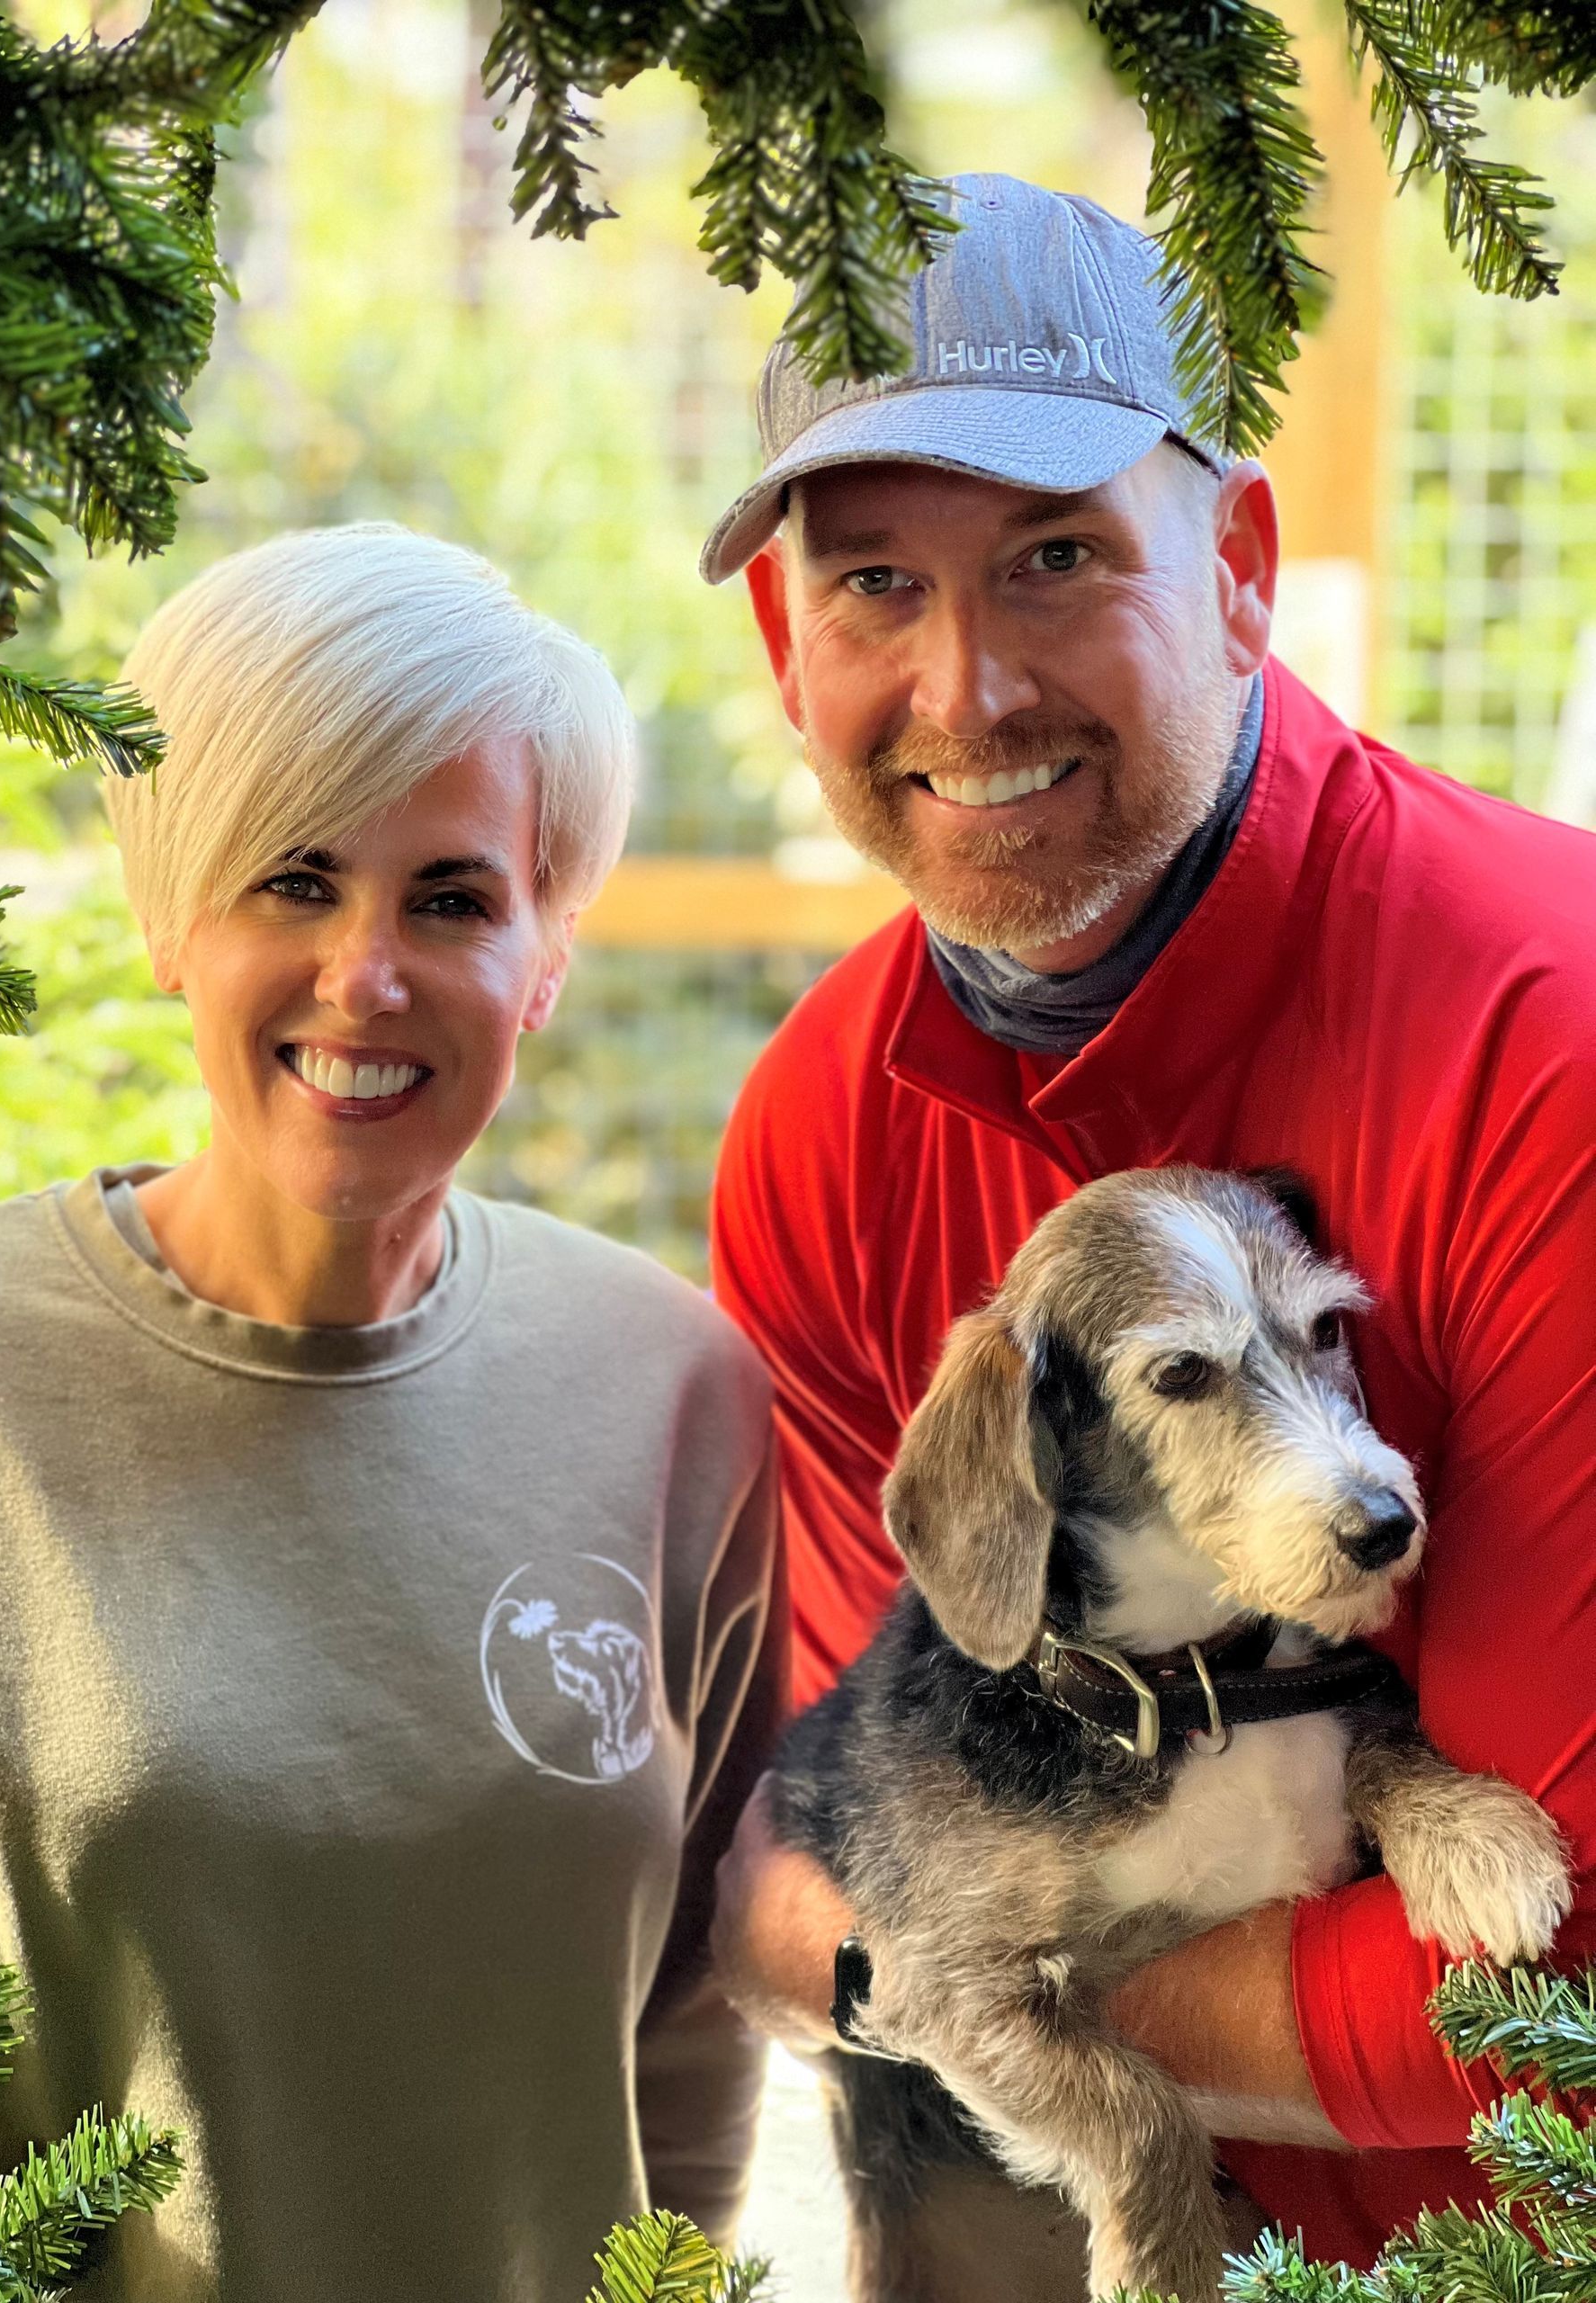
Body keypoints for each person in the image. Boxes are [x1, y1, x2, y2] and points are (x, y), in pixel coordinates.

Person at [701, 174, 1596, 2290]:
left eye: (1055, 557)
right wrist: (899, 1961)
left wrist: (906, 1967)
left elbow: (1559, 2012)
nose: (968, 685)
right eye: (872, 589)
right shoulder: (821, 1133)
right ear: (782, 643)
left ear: (1243, 568)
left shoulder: (1546, 1047)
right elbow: (896, 1806)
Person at [0, 524, 783, 2302]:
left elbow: (695, 2021)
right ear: (168, 916)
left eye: (450, 895)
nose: (367, 973)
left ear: (546, 957)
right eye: (293, 878)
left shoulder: (673, 1387)